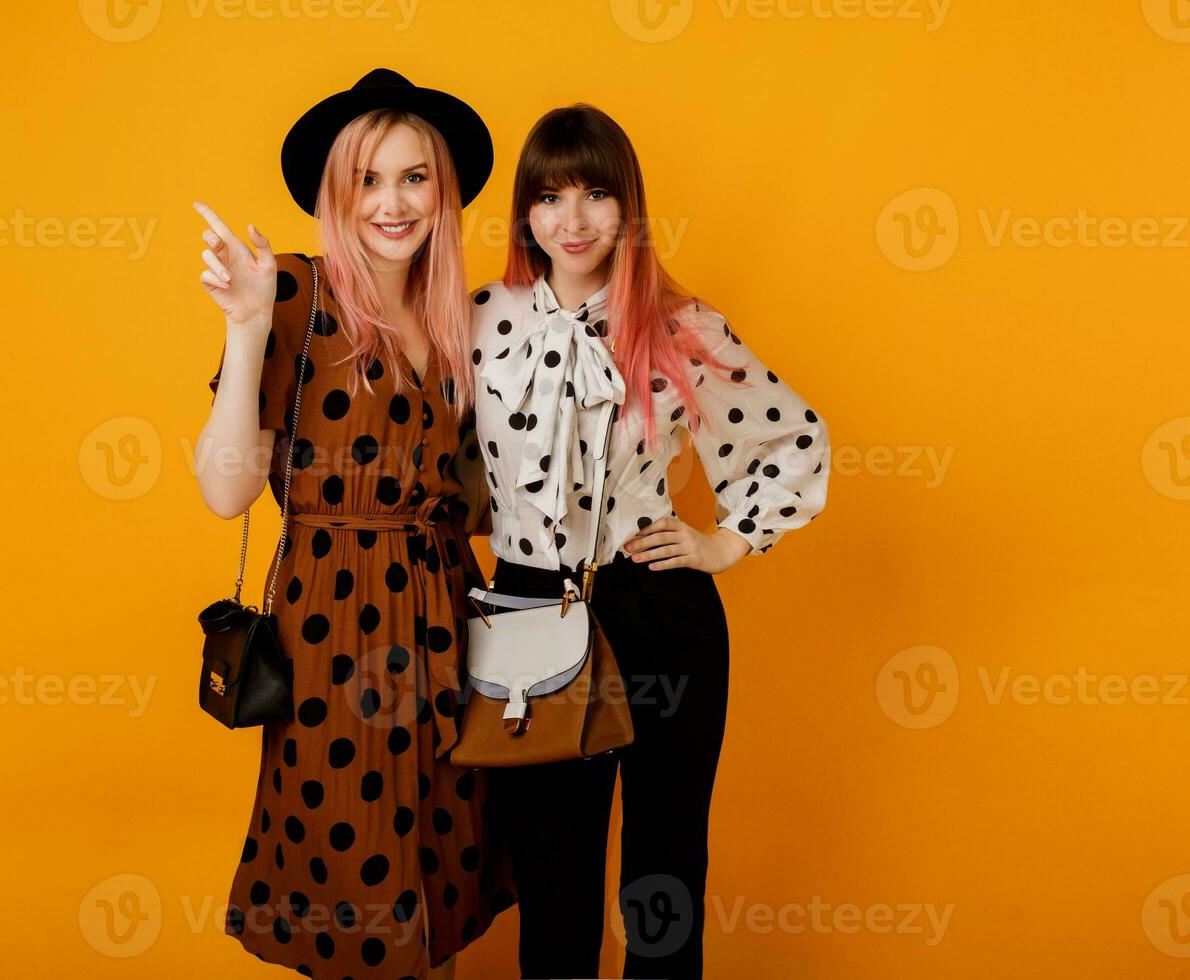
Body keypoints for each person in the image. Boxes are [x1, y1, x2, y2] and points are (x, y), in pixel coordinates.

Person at [462, 103, 831, 979]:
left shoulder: (679, 326)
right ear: (525, 214)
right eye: (549, 198)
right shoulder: (479, 320)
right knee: (553, 878)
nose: (573, 220)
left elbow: (793, 438)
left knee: (664, 873)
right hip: (526, 610)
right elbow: (442, 458)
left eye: (595, 194)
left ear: (628, 207)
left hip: (656, 609)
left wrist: (724, 542)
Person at [193, 68, 513, 978]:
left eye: (414, 177)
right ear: (336, 193)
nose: (393, 201)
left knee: (438, 896)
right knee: (354, 892)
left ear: (442, 191)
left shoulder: (460, 317)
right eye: (368, 179)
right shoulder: (291, 291)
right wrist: (248, 327)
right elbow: (225, 493)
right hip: (336, 632)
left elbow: (484, 496)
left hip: (450, 624)